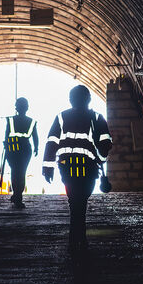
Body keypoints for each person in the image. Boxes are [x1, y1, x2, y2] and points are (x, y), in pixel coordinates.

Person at [42, 85, 112, 253]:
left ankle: (76, 240)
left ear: (71, 99)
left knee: (75, 202)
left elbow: (51, 142)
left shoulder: (61, 117)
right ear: (88, 99)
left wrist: (48, 167)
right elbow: (105, 145)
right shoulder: (96, 117)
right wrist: (100, 161)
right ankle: (79, 239)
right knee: (81, 202)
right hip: (88, 170)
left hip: (67, 169)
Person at [3, 97, 38, 209]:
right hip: (25, 149)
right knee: (21, 172)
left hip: (12, 149)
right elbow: (35, 137)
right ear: (27, 108)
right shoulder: (31, 122)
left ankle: (16, 195)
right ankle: (18, 196)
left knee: (15, 172)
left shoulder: (11, 120)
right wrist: (36, 148)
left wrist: (6, 146)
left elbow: (6, 134)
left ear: (16, 107)